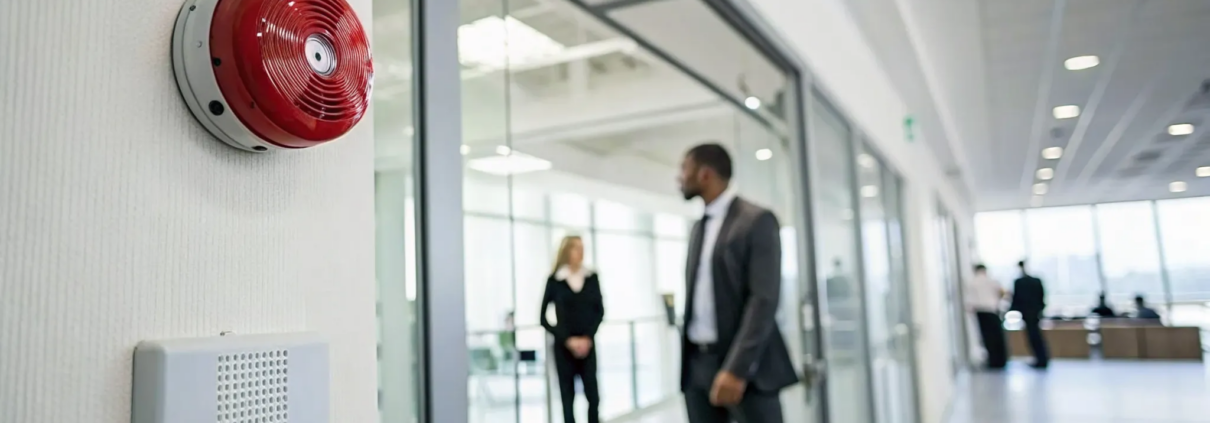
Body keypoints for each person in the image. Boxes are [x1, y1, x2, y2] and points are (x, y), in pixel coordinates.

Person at [677, 143, 797, 423]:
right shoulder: (699, 227)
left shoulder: (757, 220)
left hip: (746, 368)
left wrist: (736, 369)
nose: (679, 177)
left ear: (705, 174)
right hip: (698, 366)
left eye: (685, 168)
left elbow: (763, 299)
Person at [540, 236, 604, 423]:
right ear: (567, 251)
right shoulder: (555, 281)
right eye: (576, 248)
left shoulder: (591, 278)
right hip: (563, 348)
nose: (581, 252)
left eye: (582, 248)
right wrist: (567, 340)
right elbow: (543, 318)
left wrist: (587, 338)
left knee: (593, 396)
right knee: (568, 399)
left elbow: (599, 311)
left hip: (588, 346)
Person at [965, 265, 1007, 369]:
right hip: (992, 310)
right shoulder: (992, 280)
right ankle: (1001, 360)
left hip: (981, 312)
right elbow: (1002, 292)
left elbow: (969, 302)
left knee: (987, 338)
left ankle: (992, 361)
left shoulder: (973, 282)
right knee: (997, 337)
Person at [1010, 260, 1049, 369]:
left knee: (1034, 336)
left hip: (1028, 312)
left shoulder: (1020, 282)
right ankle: (1041, 358)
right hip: (1035, 312)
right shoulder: (1035, 281)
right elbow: (1042, 296)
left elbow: (1016, 299)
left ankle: (1040, 359)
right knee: (1035, 335)